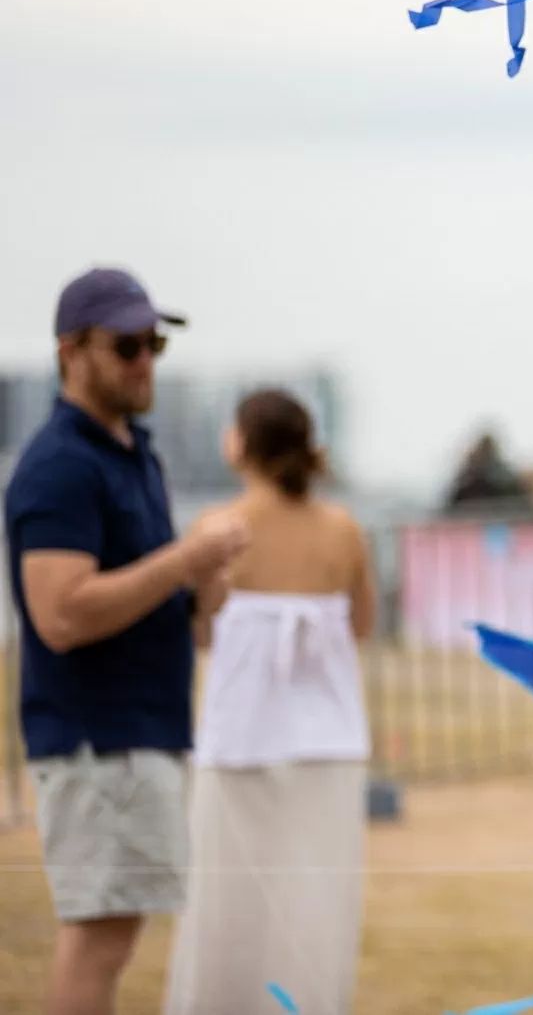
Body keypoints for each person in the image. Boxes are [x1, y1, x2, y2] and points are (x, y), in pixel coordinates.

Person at [3, 268, 246, 1015]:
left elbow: (146, 592)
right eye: (127, 344)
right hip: (96, 738)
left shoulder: (131, 452)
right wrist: (184, 559)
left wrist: (203, 582)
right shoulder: (61, 465)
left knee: (112, 934)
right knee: (98, 938)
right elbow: (61, 614)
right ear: (70, 350)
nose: (145, 360)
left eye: (155, 342)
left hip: (136, 732)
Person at [163, 389, 374, 1015]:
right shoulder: (343, 530)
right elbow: (362, 623)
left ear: (242, 444)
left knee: (227, 902)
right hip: (329, 740)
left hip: (241, 739)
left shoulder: (220, 529)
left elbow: (200, 631)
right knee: (316, 899)